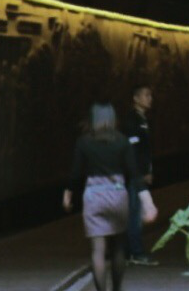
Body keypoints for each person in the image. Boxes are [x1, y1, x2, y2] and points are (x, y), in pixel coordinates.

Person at [64, 102, 136, 291]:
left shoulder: (84, 142)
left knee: (98, 250)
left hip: (94, 197)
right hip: (118, 195)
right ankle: (117, 289)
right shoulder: (122, 141)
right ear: (113, 119)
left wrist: (68, 193)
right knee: (119, 247)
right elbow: (132, 171)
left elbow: (76, 172)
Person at [122, 85, 156, 263]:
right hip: (135, 176)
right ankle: (136, 252)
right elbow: (133, 151)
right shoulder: (132, 121)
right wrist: (141, 174)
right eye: (146, 95)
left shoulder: (142, 119)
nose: (150, 98)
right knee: (135, 213)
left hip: (139, 174)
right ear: (136, 98)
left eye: (150, 95)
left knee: (136, 211)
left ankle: (130, 251)